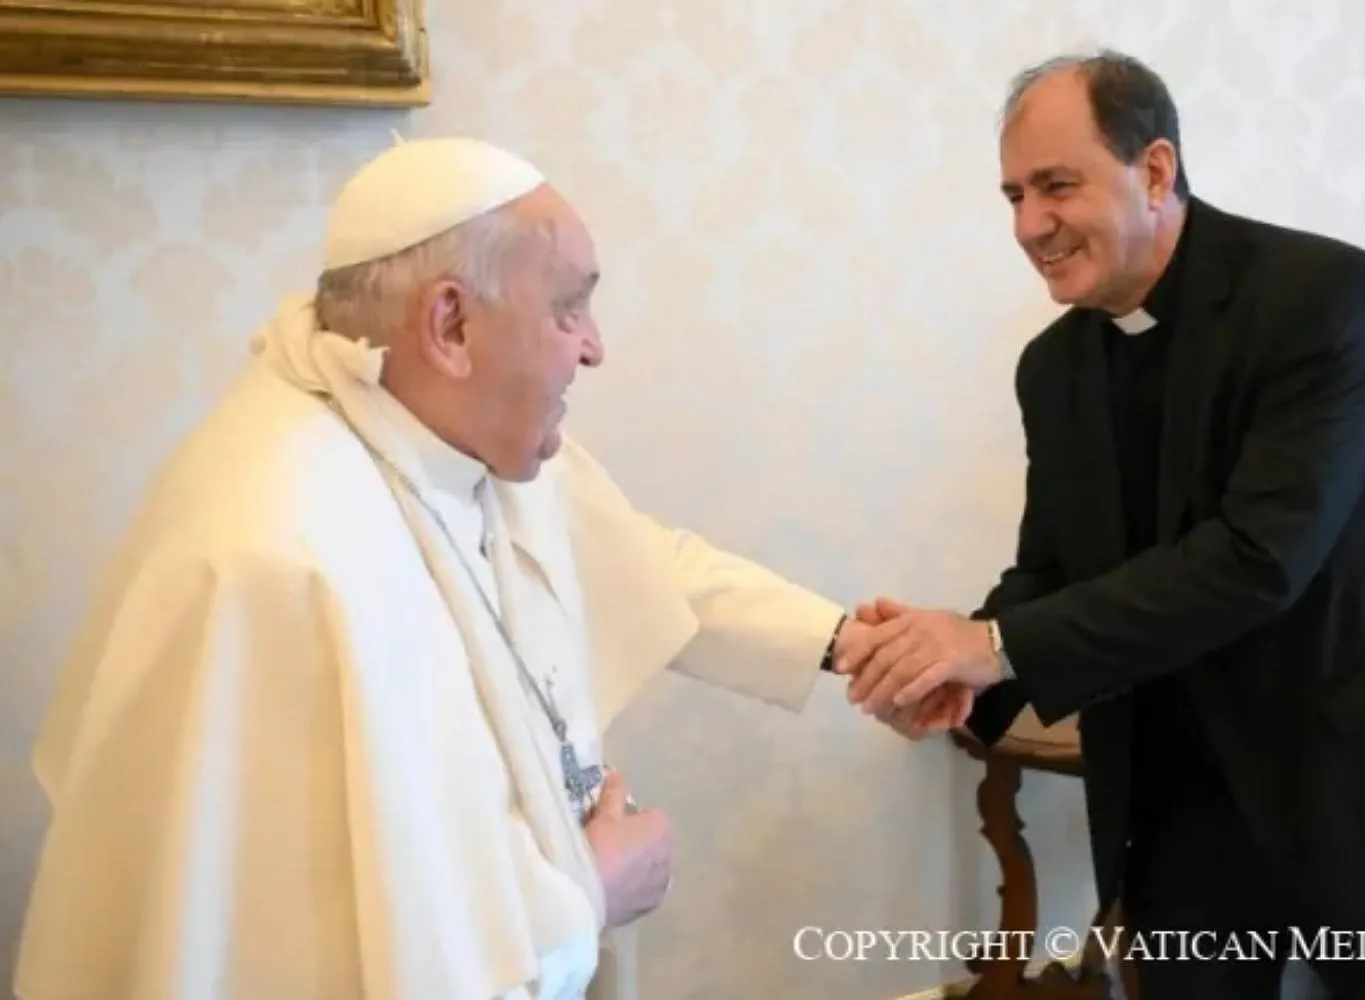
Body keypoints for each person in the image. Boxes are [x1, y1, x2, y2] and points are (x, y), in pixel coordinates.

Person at [9, 136, 932, 1000]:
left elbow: (639, 558)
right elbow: (305, 950)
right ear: (449, 322)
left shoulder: (428, 422)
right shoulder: (281, 552)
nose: (594, 346)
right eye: (569, 305)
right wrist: (587, 900)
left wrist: (847, 642)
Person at [837, 51, 1365, 1000]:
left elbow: (1260, 559)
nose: (1028, 225)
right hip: (1187, 793)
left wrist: (992, 642)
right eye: (1013, 194)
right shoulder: (1052, 369)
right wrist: (955, 674)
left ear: (1156, 170)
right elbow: (1052, 569)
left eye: (1057, 185)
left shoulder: (1320, 295)